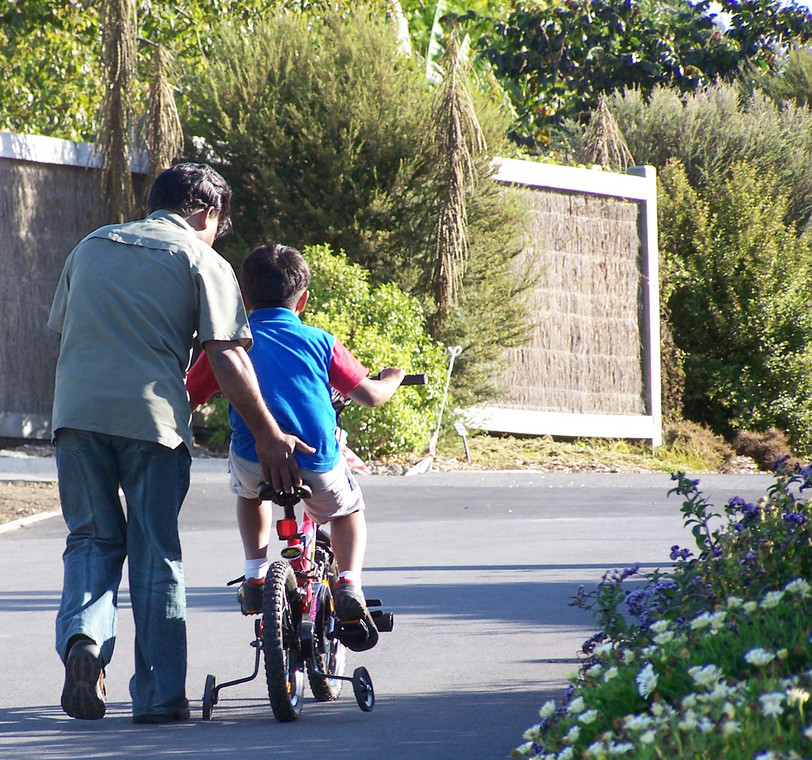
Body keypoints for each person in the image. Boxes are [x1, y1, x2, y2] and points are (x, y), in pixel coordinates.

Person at [47, 163, 313, 724]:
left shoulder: (90, 246)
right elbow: (227, 355)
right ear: (207, 213)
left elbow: (65, 329)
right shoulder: (201, 259)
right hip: (153, 424)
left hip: (75, 417)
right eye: (221, 222)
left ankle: (84, 643)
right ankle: (160, 697)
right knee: (154, 548)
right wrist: (267, 434)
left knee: (92, 538)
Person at [186, 243, 404, 651]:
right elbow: (371, 395)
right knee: (348, 509)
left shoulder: (230, 344)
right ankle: (349, 584)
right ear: (302, 300)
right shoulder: (320, 341)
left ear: (244, 298)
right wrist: (392, 377)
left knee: (250, 494)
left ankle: (254, 573)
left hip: (255, 458)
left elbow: (191, 395)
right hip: (314, 459)